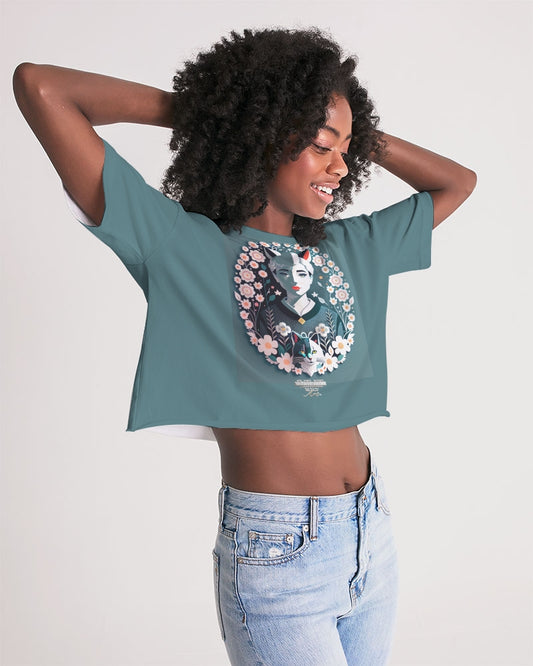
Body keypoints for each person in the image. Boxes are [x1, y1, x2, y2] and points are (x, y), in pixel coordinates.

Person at [13, 27, 476, 666]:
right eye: (321, 146)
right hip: (277, 552)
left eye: (347, 151)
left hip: (371, 531)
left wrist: (353, 134)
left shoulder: (351, 246)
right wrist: (218, 113)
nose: (342, 168)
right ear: (263, 138)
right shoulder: (176, 243)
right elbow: (41, 88)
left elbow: (458, 182)